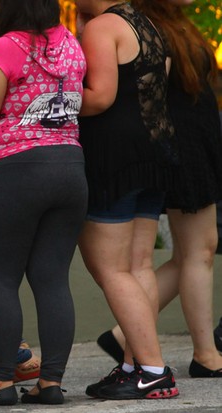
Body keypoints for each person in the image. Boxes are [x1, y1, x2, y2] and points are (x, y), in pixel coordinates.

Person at [0, 0, 88, 406]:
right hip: (70, 168)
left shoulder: (5, 47)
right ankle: (51, 383)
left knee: (1, 280)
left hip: (17, 171)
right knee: (52, 279)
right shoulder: (71, 46)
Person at [96, 0, 222, 378]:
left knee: (192, 254)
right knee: (198, 251)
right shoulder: (147, 27)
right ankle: (205, 353)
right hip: (182, 149)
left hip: (194, 147)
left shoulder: (171, 24)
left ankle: (125, 334)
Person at [75, 0, 180, 400]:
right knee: (138, 267)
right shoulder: (148, 24)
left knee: (111, 269)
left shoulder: (103, 27)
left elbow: (99, 97)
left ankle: (151, 369)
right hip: (154, 153)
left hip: (115, 159)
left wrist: (49, 102)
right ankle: (137, 365)